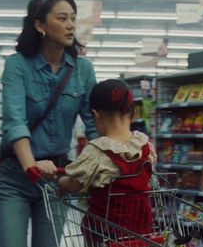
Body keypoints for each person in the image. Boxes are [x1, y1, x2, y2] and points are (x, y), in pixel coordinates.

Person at [0, 0, 98, 247]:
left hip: (56, 180)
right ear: (39, 25)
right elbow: (15, 121)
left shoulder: (83, 70)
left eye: (73, 18)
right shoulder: (17, 65)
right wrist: (31, 166)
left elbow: (95, 123)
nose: (71, 24)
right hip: (15, 177)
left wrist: (110, 157)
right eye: (62, 18)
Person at [58, 79, 157, 245]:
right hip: (140, 232)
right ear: (132, 114)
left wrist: (61, 182)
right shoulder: (146, 146)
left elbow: (75, 184)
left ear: (95, 115)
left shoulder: (96, 151)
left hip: (104, 234)